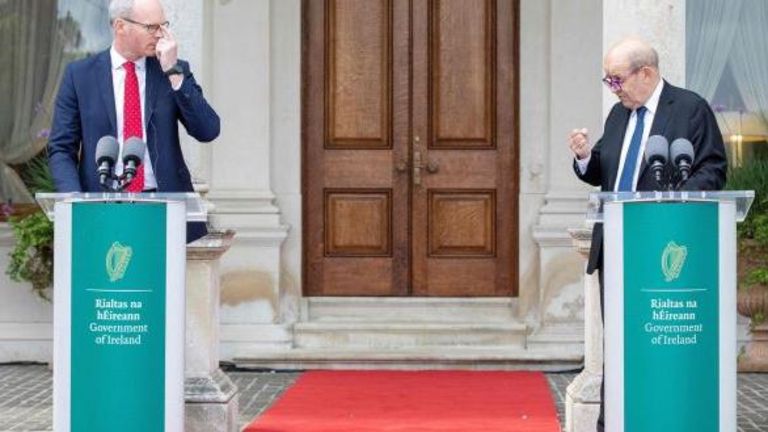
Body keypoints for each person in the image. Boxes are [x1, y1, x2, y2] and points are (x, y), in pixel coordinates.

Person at [568, 37, 727, 432]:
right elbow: (603, 170)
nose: (613, 88)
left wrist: (669, 206)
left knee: (659, 343)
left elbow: (713, 170)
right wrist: (584, 156)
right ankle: (613, 423)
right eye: (608, 80)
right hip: (618, 248)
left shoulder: (689, 109)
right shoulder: (618, 115)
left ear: (646, 73)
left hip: (665, 246)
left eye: (617, 79)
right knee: (620, 344)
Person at [48, 0, 220, 243]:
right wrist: (74, 201)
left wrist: (173, 73)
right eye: (151, 27)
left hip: (165, 208)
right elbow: (61, 148)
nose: (160, 34)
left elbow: (208, 130)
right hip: (100, 209)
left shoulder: (172, 70)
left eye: (163, 25)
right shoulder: (80, 75)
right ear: (120, 26)